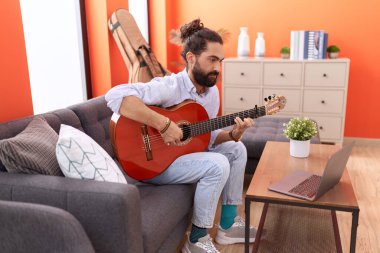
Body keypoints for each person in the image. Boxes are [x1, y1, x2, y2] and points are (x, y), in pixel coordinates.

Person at [105, 18, 257, 253]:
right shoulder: (169, 87)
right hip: (150, 164)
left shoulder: (211, 91)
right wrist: (164, 125)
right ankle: (196, 240)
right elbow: (114, 96)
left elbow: (208, 136)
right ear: (191, 58)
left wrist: (232, 134)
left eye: (220, 61)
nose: (218, 68)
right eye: (212, 60)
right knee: (217, 164)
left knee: (237, 149)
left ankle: (227, 226)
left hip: (181, 157)